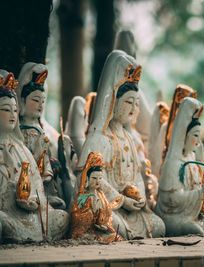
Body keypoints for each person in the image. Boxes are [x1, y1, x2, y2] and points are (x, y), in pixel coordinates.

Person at [77, 50, 165, 239]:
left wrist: (139, 195)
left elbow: (137, 176)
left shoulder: (129, 138)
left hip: (131, 208)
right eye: (128, 102)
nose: (133, 109)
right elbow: (91, 182)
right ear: (112, 102)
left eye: (136, 103)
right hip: (110, 205)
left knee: (159, 226)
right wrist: (122, 200)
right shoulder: (99, 138)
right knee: (111, 222)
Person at [0, 70, 68, 243]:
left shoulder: (20, 147)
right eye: (7, 109)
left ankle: (33, 234)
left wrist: (34, 199)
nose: (13, 114)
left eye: (15, 110)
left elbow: (36, 181)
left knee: (62, 218)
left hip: (31, 211)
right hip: (8, 210)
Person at [155, 97, 204, 236]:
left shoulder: (191, 158)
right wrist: (199, 193)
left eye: (199, 136)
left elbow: (197, 186)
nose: (198, 141)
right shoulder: (173, 163)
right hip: (173, 216)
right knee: (197, 231)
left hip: (190, 214)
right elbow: (171, 199)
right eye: (195, 135)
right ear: (183, 136)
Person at [17, 63, 65, 209]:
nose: (40, 105)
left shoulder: (39, 130)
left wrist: (50, 164)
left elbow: (44, 158)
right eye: (36, 100)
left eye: (43, 101)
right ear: (23, 101)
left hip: (43, 178)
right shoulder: (20, 130)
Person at [71, 152, 123, 244]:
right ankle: (84, 237)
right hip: (84, 231)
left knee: (116, 237)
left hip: (98, 231)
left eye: (100, 178)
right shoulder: (84, 197)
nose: (97, 181)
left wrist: (105, 225)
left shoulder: (101, 195)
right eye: (94, 178)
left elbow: (107, 215)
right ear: (87, 178)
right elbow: (79, 218)